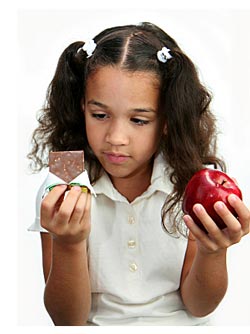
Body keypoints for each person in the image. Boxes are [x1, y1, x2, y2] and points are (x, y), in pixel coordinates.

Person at [28, 22, 250, 326]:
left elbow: (199, 307)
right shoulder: (65, 180)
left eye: (139, 120)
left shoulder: (191, 182)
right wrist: (69, 243)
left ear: (168, 119)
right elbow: (68, 321)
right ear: (82, 108)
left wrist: (214, 252)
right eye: (100, 115)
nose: (116, 137)